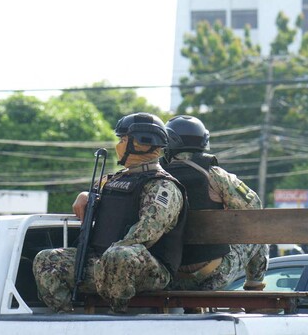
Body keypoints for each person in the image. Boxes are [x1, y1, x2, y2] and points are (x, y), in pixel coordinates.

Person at [32, 112, 187, 313]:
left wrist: (105, 260)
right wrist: (85, 194)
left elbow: (145, 235)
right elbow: (97, 194)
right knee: (46, 260)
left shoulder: (162, 186)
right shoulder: (115, 179)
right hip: (104, 263)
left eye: (124, 139)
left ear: (142, 143)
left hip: (146, 269)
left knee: (119, 255)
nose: (119, 145)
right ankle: (68, 319)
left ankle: (117, 315)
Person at [162, 115, 268, 291]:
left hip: (170, 277)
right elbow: (254, 207)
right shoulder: (216, 175)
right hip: (212, 275)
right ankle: (255, 291)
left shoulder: (157, 176)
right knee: (257, 231)